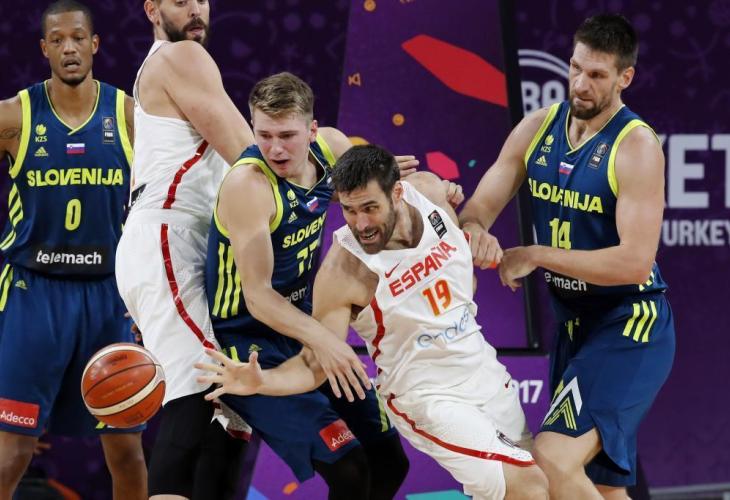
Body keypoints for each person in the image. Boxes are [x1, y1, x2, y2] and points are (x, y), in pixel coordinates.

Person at [197, 144, 550, 500]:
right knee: (529, 485)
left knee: (543, 486)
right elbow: (314, 366)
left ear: (397, 192)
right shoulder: (343, 271)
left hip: (483, 371)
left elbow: (462, 283)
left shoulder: (430, 193)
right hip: (428, 396)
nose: (361, 224)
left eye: (369, 208)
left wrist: (478, 239)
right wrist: (263, 381)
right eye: (349, 211)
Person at [458, 14, 675, 500]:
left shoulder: (636, 146)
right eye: (575, 68)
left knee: (551, 461)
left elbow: (634, 264)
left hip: (630, 324)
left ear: (625, 77)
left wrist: (537, 253)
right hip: (575, 327)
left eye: (596, 74)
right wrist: (476, 232)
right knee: (599, 486)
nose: (580, 83)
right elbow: (478, 208)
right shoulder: (538, 127)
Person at [201, 73, 412, 499]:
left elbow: (390, 192)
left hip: (301, 323)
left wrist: (440, 191)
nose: (275, 149)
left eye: (287, 136)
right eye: (264, 135)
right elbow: (257, 296)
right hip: (246, 339)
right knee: (349, 468)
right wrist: (325, 340)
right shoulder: (249, 186)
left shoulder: (331, 148)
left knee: (390, 461)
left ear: (312, 130)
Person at [0, 1, 146, 498]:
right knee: (11, 451)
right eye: (58, 40)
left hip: (108, 296)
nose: (69, 48)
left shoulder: (129, 115)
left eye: (78, 38)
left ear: (94, 44)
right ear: (44, 49)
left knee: (126, 452)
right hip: (34, 292)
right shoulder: (15, 115)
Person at [113, 1, 257, 498]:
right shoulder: (182, 57)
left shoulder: (162, 67)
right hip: (169, 241)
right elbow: (249, 158)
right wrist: (339, 183)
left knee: (230, 405)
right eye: (180, 1)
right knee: (197, 393)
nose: (196, 9)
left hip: (178, 247)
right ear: (152, 9)